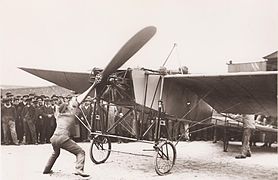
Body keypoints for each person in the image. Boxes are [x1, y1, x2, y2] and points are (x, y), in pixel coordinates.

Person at [43, 96, 90, 178]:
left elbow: (57, 109)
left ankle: (46, 169)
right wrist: (74, 98)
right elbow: (77, 103)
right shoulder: (71, 115)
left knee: (55, 153)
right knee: (80, 152)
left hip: (54, 138)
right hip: (63, 138)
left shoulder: (58, 116)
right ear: (67, 109)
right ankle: (79, 169)